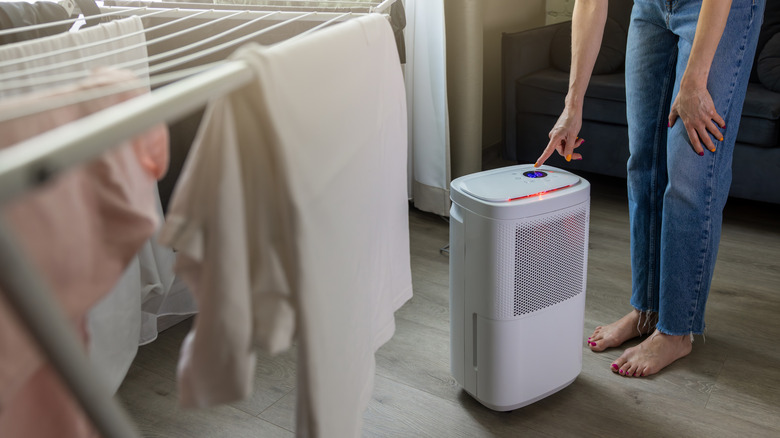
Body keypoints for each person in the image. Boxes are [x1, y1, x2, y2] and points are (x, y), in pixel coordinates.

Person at [534, 0, 765, 377]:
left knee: (690, 172)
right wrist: (571, 106)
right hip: (651, 7)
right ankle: (646, 312)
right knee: (643, 164)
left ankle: (676, 332)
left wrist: (694, 81)